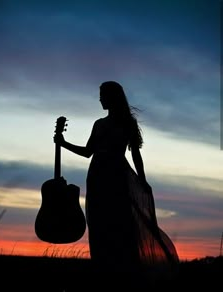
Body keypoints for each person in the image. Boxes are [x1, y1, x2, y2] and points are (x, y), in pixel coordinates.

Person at [54, 81, 179, 283]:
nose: (100, 99)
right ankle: (103, 269)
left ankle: (125, 270)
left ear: (113, 96)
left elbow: (135, 153)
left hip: (117, 176)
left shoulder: (128, 123)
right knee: (99, 222)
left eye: (103, 94)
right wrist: (63, 143)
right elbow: (87, 153)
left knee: (120, 221)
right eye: (100, 95)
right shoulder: (99, 124)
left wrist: (142, 180)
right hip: (96, 176)